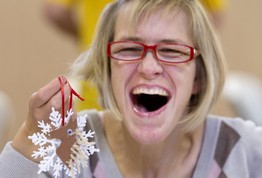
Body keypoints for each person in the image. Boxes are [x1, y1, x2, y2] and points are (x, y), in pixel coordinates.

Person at [1, 0, 262, 178]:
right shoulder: (66, 151)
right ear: (106, 68)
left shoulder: (245, 154)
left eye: (172, 51)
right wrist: (28, 141)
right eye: (128, 49)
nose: (149, 67)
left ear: (198, 77)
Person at [43, 0, 227, 112]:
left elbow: (56, 11)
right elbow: (213, 18)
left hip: (105, 77)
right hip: (103, 83)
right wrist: (173, 49)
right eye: (130, 47)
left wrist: (91, 37)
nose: (148, 67)